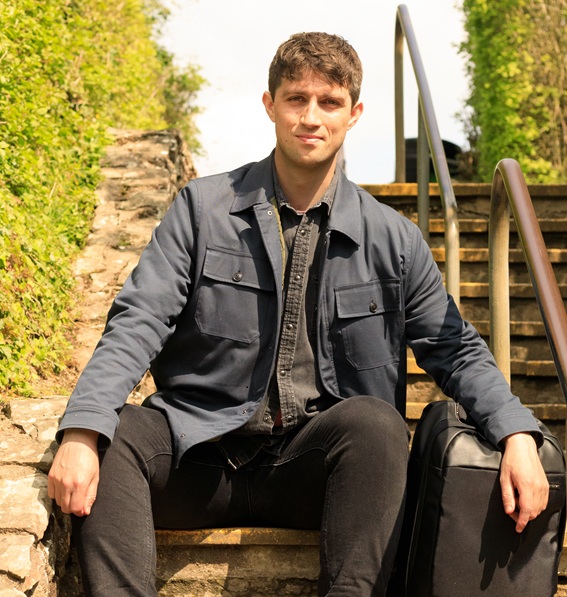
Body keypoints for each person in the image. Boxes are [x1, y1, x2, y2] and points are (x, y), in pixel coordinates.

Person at [48, 32, 549, 597]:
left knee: (378, 427)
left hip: (316, 473)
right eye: (296, 99)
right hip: (198, 454)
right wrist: (83, 429)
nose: (311, 117)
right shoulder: (202, 209)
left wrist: (516, 433)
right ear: (271, 105)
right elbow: (138, 320)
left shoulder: (394, 240)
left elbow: (454, 348)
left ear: (354, 114)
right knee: (115, 435)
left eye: (329, 102)